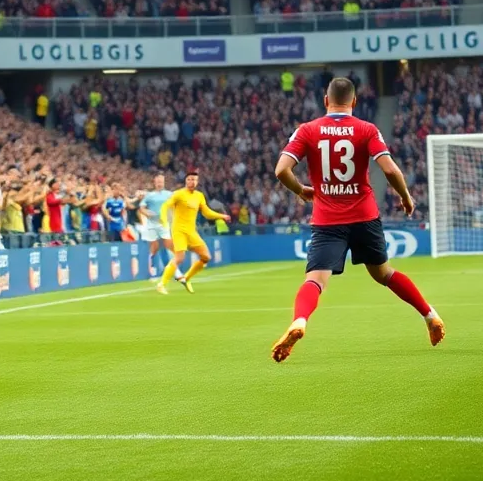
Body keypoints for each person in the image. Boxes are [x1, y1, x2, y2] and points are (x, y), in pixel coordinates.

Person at [271, 76, 445, 363]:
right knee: (385, 274)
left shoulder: (307, 130)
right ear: (354, 101)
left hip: (327, 220)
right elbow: (389, 170)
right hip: (365, 216)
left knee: (315, 280)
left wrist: (300, 189)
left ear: (326, 101)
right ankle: (429, 315)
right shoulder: (367, 129)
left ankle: (300, 321)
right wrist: (405, 196)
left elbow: (281, 170)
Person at [158, 169, 230, 295]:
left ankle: (186, 278)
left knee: (206, 257)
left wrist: (221, 216)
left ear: (197, 182)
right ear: (186, 181)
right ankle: (161, 284)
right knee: (179, 257)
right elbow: (165, 206)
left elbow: (206, 212)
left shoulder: (199, 196)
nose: (192, 181)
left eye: (194, 179)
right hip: (179, 230)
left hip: (191, 232)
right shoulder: (179, 194)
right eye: (189, 179)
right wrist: (164, 220)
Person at [136, 175, 174, 278]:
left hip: (164, 223)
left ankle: (167, 269)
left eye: (161, 181)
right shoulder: (150, 195)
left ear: (164, 182)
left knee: (165, 246)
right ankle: (153, 269)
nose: (159, 183)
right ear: (154, 182)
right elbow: (141, 207)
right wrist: (146, 212)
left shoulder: (169, 194)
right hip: (152, 224)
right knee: (155, 247)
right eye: (157, 181)